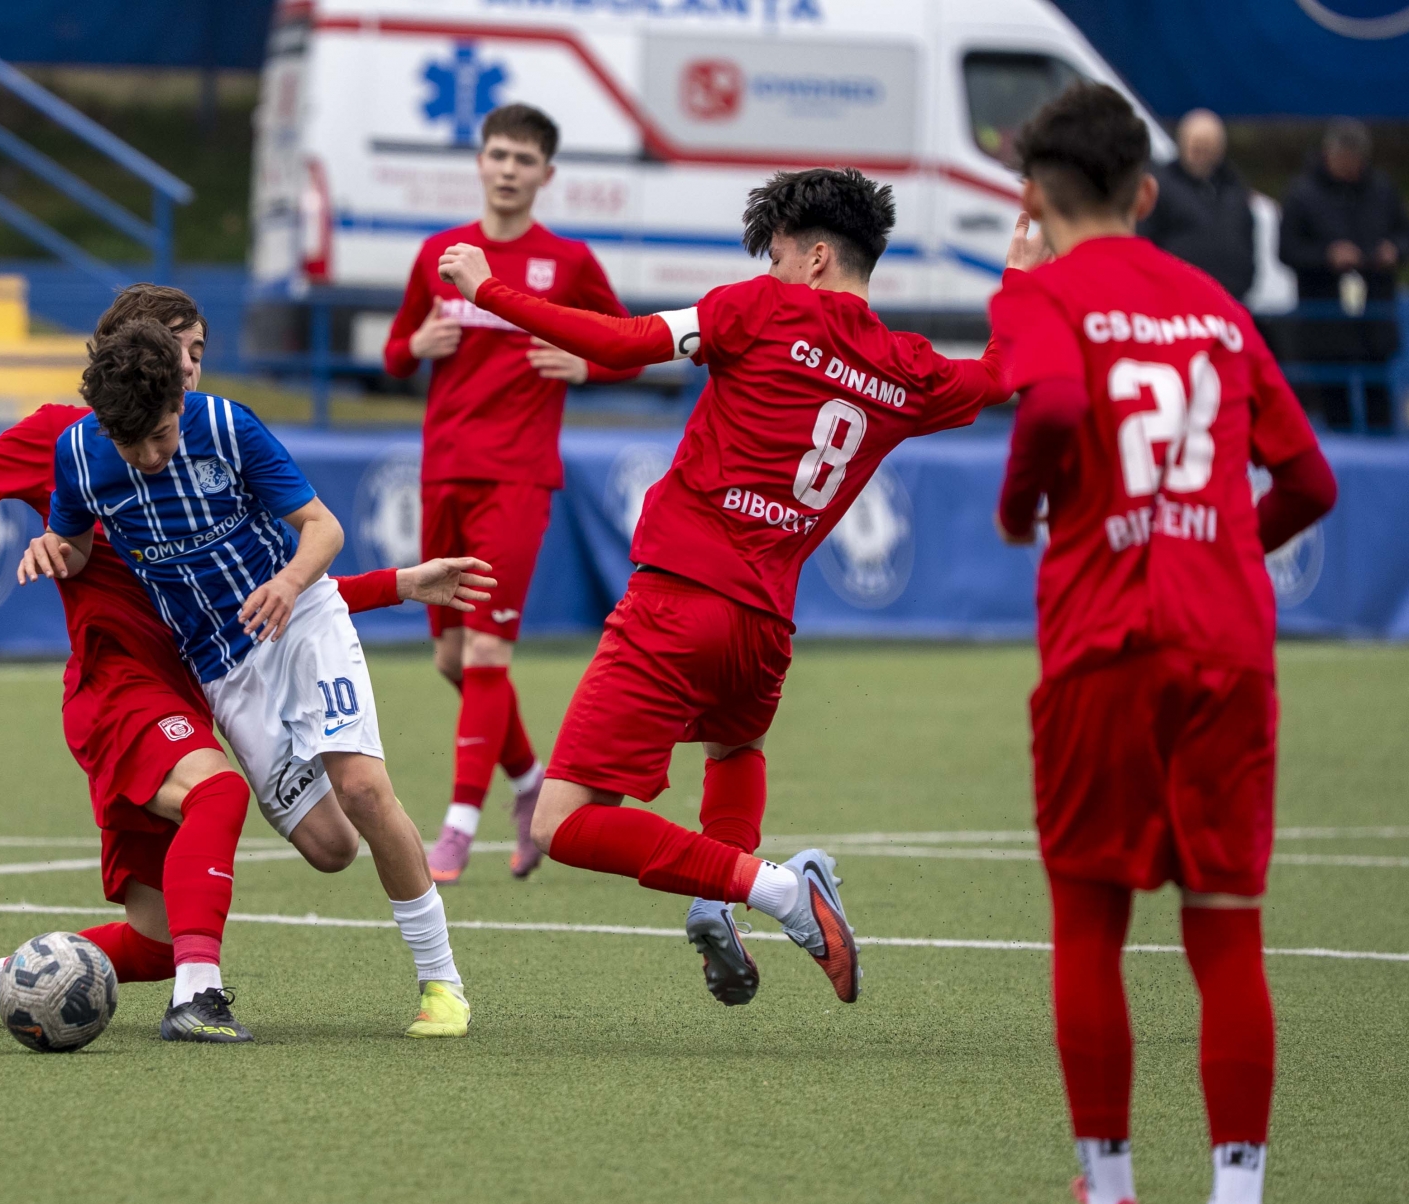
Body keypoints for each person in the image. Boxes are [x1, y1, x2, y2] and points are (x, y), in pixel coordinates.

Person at [0, 284, 494, 1043]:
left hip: (198, 687)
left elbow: (253, 589)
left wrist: (392, 585)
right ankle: (202, 998)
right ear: (126, 355)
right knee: (220, 795)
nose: (189, 369)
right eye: (178, 350)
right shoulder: (67, 446)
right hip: (125, 689)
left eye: (198, 352)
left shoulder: (211, 433)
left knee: (174, 928)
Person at [437, 167, 1025, 1008]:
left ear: (815, 258)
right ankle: (714, 902)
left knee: (558, 822)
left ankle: (776, 889)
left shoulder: (760, 309)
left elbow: (623, 343)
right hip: (765, 625)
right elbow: (1000, 376)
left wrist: (488, 290)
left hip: (678, 598)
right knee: (733, 749)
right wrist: (1019, 280)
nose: (771, 269)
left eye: (778, 255)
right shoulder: (908, 369)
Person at [989, 84, 1336, 1204]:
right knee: (1226, 932)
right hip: (1227, 644)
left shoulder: (1036, 292)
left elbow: (1050, 401)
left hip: (1107, 643)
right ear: (1144, 193)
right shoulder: (1216, 307)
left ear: (1032, 195)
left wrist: (1020, 508)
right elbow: (1310, 481)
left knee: (1088, 925)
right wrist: (1226, 540)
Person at [29, 317, 475, 1038]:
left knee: (363, 787)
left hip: (302, 622)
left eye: (162, 436)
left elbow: (323, 527)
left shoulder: (227, 427)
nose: (149, 457)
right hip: (222, 669)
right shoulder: (78, 454)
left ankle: (441, 983)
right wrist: (54, 549)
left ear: (180, 400)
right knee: (331, 849)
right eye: (132, 444)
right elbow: (77, 546)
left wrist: (290, 584)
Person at [383, 102, 644, 883]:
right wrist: (414, 344)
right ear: (480, 162)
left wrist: (585, 365)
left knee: (488, 650)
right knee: (452, 659)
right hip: (443, 473)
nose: (507, 169)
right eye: (497, 154)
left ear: (545, 174)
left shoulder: (566, 262)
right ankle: (531, 784)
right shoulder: (439, 254)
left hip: (518, 478)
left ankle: (458, 829)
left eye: (523, 159)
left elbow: (630, 348)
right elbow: (394, 353)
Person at [1276, 117, 1409, 428]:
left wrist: (1394, 250)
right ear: (1329, 154)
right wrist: (1326, 256)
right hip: (1326, 318)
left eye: (1355, 159)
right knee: (1333, 404)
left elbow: (1407, 236)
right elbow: (1286, 250)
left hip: (1374, 315)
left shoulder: (1382, 188)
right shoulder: (1302, 193)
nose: (1349, 165)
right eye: (1343, 157)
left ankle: (1382, 452)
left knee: (1379, 403)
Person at [1137, 109, 1254, 300]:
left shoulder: (1234, 187)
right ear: (1182, 143)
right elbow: (1144, 240)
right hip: (1175, 300)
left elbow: (1247, 236)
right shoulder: (1160, 187)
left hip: (1229, 298)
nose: (1201, 152)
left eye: (1208, 145)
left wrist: (1245, 278)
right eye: (1196, 144)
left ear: (1220, 148)